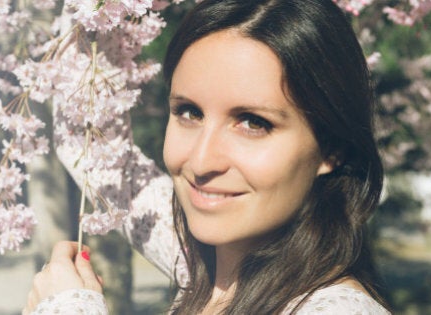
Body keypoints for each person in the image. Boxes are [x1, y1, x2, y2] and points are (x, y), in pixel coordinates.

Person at [23, 0, 391, 314]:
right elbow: (94, 153)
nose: (200, 162)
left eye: (252, 122)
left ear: (332, 149)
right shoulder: (200, 263)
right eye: (189, 112)